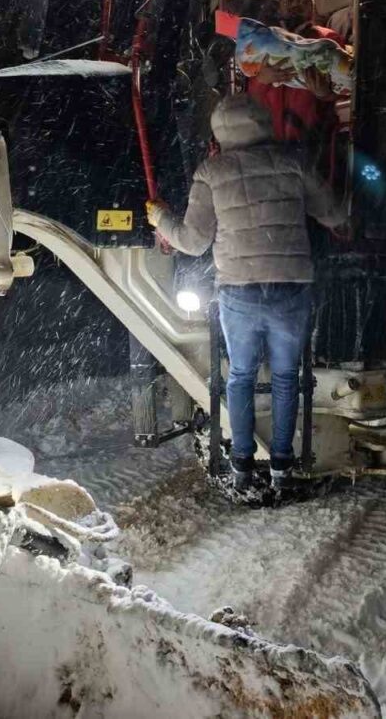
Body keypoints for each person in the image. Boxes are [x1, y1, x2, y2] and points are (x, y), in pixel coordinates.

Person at [146, 94, 347, 491]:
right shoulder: (292, 163)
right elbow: (335, 214)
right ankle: (282, 466)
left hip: (239, 290)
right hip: (291, 287)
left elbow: (193, 241)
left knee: (239, 376)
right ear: (263, 124)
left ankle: (240, 463)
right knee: (288, 377)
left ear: (220, 132)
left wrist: (160, 218)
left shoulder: (211, 173)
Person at [247, 0, 344, 155]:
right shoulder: (265, 40)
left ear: (312, 9)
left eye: (305, 1)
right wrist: (262, 79)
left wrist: (325, 93)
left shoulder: (327, 39)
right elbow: (251, 94)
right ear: (280, 6)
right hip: (270, 142)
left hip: (314, 140)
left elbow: (345, 83)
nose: (296, 4)